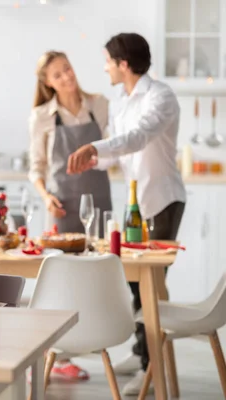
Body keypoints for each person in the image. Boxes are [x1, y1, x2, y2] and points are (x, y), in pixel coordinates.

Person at [67, 33, 186, 396]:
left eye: (107, 61)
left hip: (162, 200)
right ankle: (140, 353)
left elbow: (137, 138)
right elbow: (118, 153)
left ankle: (153, 366)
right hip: (135, 201)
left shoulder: (160, 96)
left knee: (149, 283)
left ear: (122, 63)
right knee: (133, 282)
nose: (104, 68)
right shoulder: (121, 100)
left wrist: (94, 145)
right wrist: (94, 158)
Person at [29, 50, 113, 381]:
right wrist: (46, 195)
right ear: (47, 83)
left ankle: (95, 342)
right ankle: (58, 357)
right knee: (62, 281)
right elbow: (36, 168)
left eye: (68, 69)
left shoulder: (100, 105)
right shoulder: (42, 116)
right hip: (62, 206)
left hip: (100, 204)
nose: (67, 77)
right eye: (58, 75)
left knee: (98, 278)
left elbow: (113, 151)